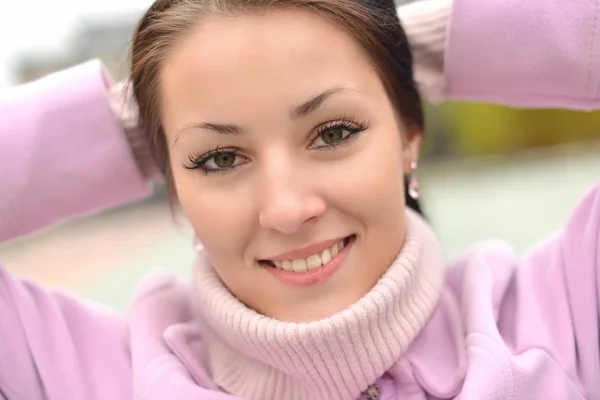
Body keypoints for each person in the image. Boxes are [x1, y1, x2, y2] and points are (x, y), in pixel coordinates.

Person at [0, 0, 598, 399]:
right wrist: (132, 122)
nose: (287, 208)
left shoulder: (563, 317)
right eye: (218, 159)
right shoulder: (97, 378)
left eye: (335, 132)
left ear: (409, 136)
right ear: (175, 189)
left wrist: (426, 45)